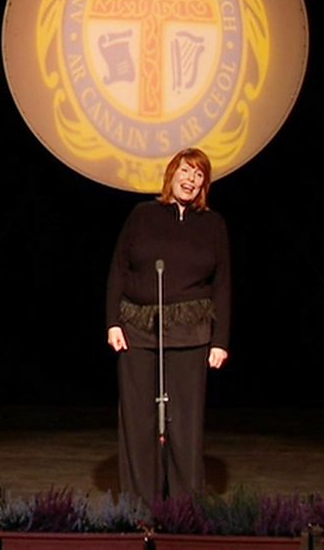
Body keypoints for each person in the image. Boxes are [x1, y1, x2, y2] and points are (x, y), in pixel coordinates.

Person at [106, 147, 231, 505]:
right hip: (138, 329)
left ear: (204, 184)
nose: (191, 179)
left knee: (185, 422)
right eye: (185, 171)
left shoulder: (213, 224)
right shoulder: (142, 215)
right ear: (171, 174)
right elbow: (118, 269)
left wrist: (220, 341)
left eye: (199, 175)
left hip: (190, 332)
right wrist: (113, 322)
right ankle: (138, 505)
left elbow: (223, 283)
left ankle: (184, 508)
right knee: (138, 419)